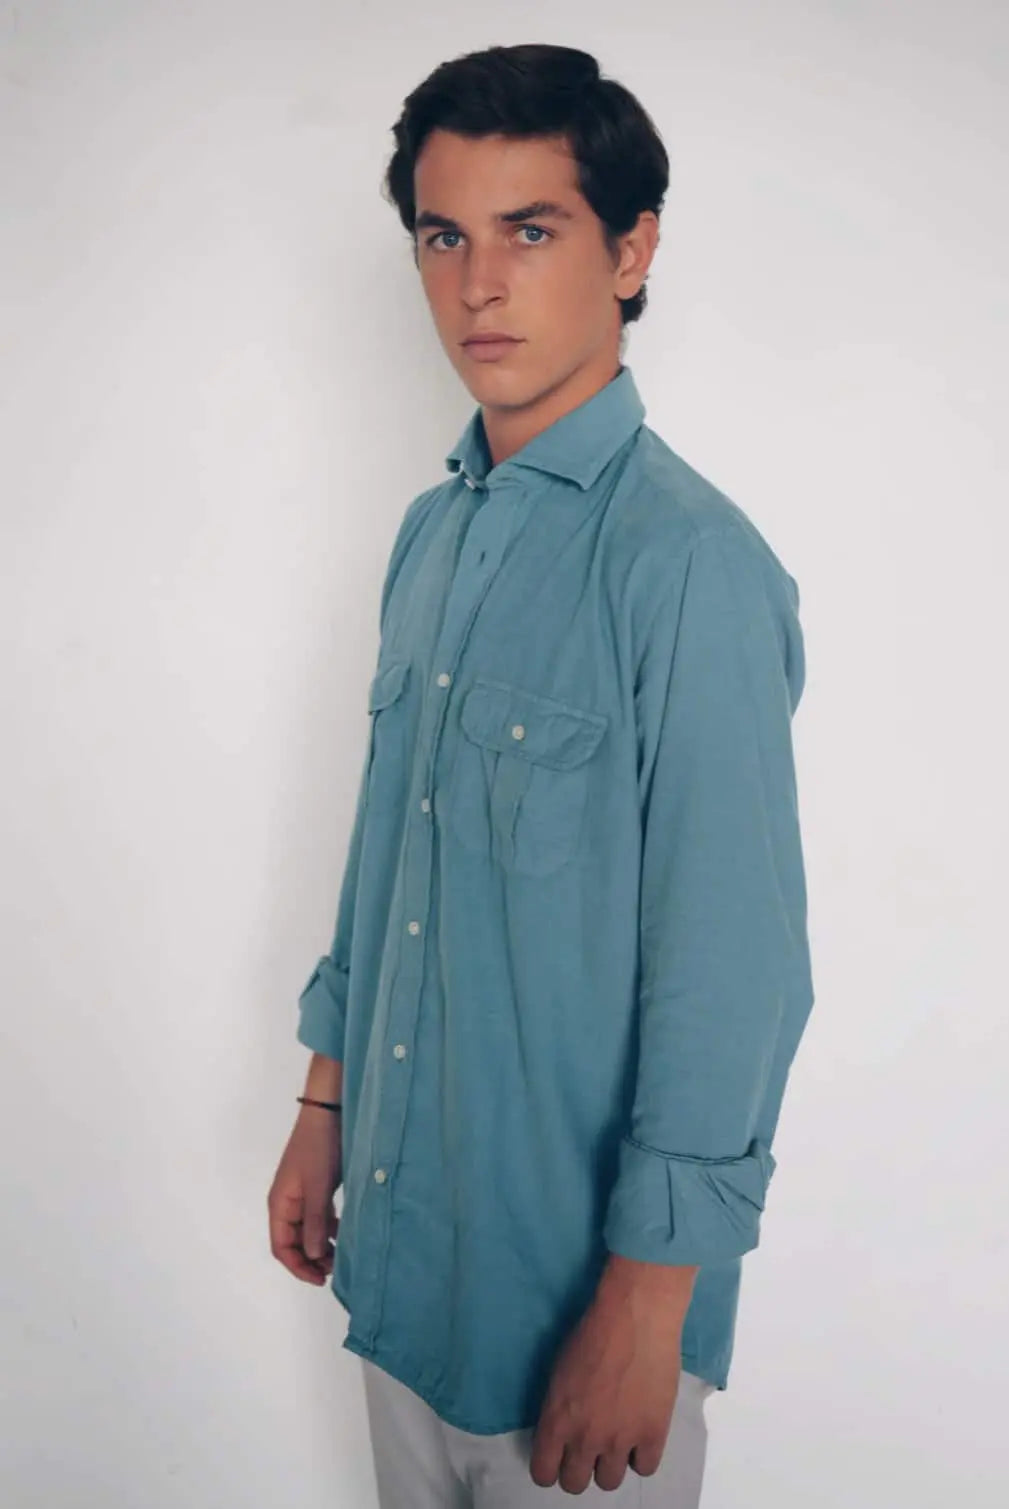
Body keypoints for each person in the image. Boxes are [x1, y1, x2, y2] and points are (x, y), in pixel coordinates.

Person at [268, 42, 815, 1508]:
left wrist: (646, 1305)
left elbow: (735, 972)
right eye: (443, 236)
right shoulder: (431, 534)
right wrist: (324, 1108)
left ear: (630, 252)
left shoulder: (688, 565)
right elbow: (387, 854)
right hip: (403, 1264)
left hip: (581, 1324)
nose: (479, 285)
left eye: (531, 229)